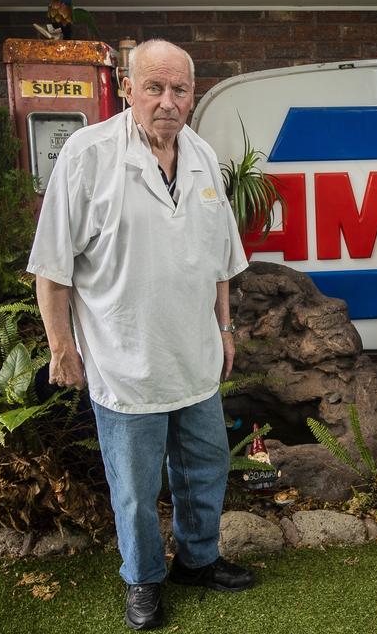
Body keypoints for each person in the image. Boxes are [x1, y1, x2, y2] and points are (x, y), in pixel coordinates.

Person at [28, 39, 254, 631]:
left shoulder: (202, 156)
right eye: (154, 87)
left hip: (195, 356)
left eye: (179, 89)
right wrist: (61, 348)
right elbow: (52, 270)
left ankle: (199, 562)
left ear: (192, 94)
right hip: (122, 362)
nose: (167, 101)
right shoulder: (86, 155)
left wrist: (226, 328)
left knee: (206, 469)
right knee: (134, 486)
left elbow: (222, 261)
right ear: (127, 89)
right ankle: (143, 580)